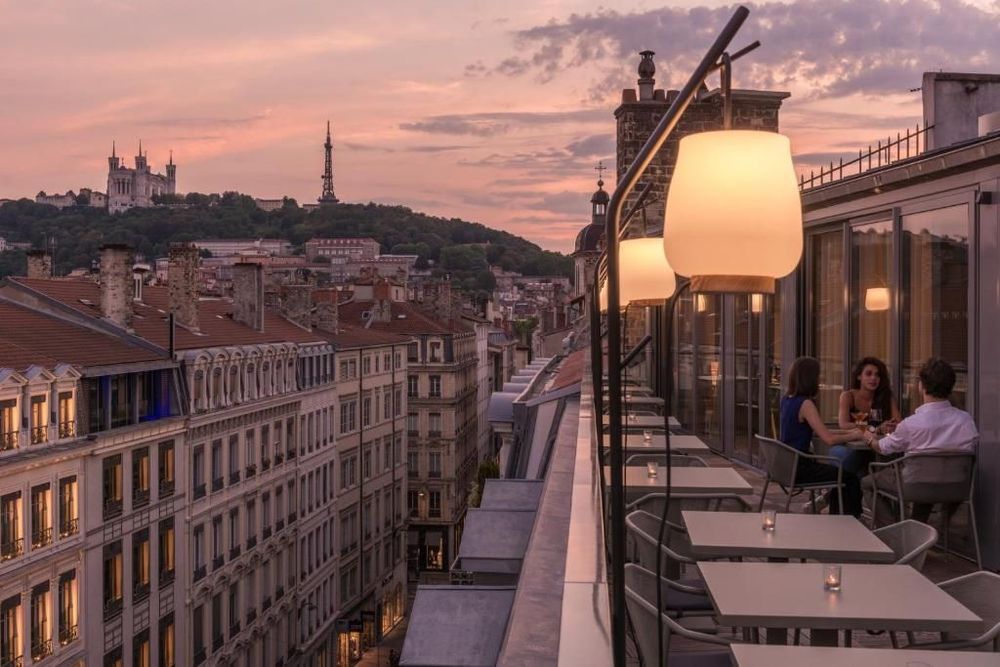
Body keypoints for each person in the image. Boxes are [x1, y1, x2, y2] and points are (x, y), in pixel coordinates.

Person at [861, 357, 978, 523]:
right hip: (956, 488)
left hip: (916, 486)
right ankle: (919, 531)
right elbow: (971, 447)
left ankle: (894, 533)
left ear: (921, 386)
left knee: (868, 483)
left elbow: (883, 448)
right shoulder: (966, 420)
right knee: (928, 476)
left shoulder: (911, 424)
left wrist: (869, 438)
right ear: (950, 387)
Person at [780, 356, 864, 517]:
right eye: (818, 376)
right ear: (810, 378)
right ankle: (846, 523)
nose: (820, 380)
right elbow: (829, 439)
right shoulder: (806, 404)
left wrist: (850, 433)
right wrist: (854, 434)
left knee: (844, 474)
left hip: (786, 464)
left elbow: (820, 430)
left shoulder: (787, 400)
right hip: (801, 467)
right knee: (850, 479)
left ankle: (838, 516)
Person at [832, 356, 902, 476]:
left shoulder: (886, 397)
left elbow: (899, 422)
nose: (873, 378)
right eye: (868, 374)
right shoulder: (848, 396)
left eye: (877, 375)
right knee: (845, 458)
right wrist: (875, 429)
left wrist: (890, 426)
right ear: (859, 376)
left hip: (879, 447)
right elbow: (844, 424)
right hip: (854, 447)